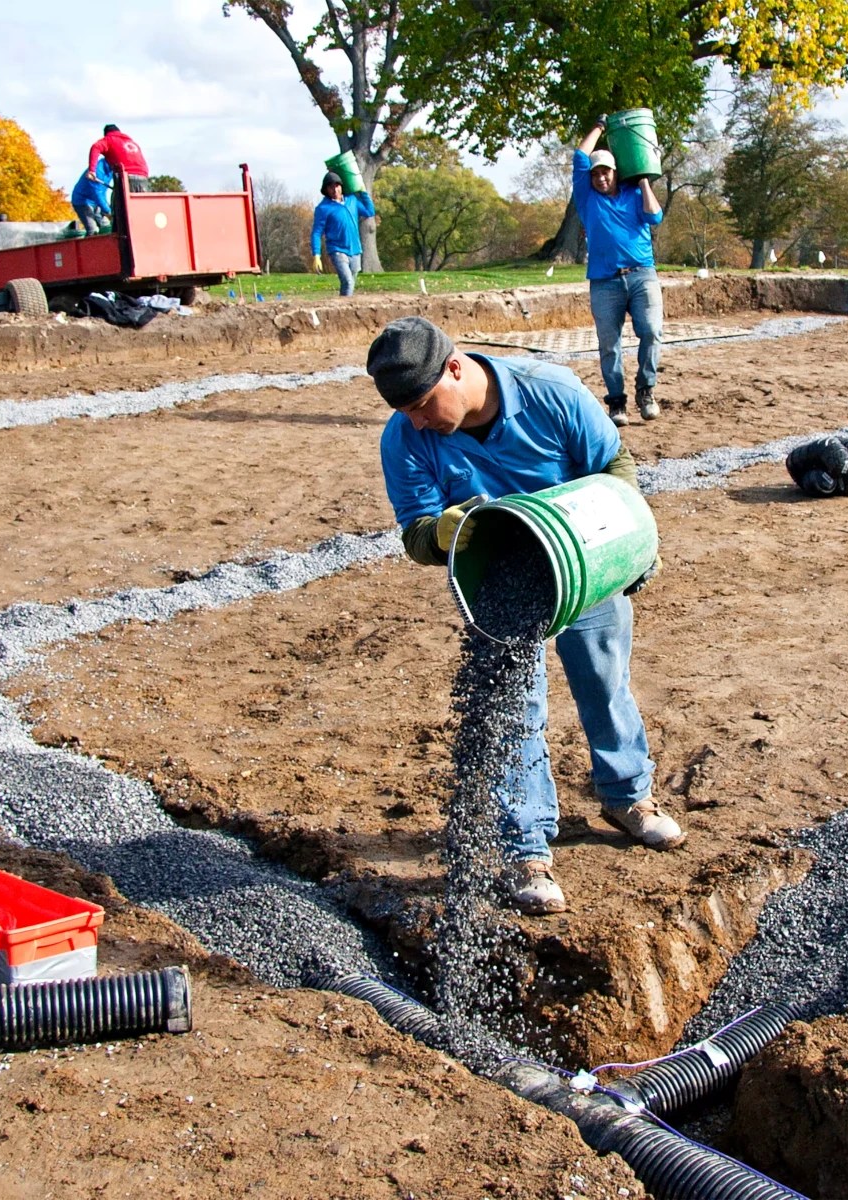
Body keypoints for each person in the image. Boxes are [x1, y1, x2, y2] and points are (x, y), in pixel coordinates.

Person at [368, 315, 685, 916]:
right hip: (499, 582)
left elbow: (615, 468)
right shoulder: (405, 439)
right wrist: (447, 532)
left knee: (604, 681)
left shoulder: (552, 392)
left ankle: (627, 797)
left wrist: (631, 544)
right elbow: (415, 535)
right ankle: (526, 846)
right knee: (513, 708)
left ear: (454, 368)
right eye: (404, 410)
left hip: (582, 557)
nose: (417, 420)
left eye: (422, 403)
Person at [573, 118, 665, 426]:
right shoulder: (587, 199)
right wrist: (599, 126)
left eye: (606, 172)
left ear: (616, 173)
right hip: (605, 281)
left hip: (642, 274)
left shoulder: (635, 194)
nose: (600, 178)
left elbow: (655, 217)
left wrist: (642, 180)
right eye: (596, 174)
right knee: (609, 344)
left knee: (651, 331)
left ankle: (646, 390)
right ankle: (617, 402)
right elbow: (579, 157)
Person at [310, 172, 376, 297]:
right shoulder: (323, 208)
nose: (335, 189)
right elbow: (316, 232)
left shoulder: (352, 200)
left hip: (355, 250)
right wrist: (316, 255)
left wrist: (363, 192)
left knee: (350, 283)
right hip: (337, 250)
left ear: (341, 186)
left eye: (337, 185)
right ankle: (345, 307)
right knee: (348, 281)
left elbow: (369, 211)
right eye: (331, 187)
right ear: (326, 190)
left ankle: (342, 308)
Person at [88, 123, 150, 194]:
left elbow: (95, 147)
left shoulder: (108, 139)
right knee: (140, 203)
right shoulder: (132, 142)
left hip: (126, 176)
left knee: (119, 203)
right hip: (143, 176)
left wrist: (92, 171)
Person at [69, 158, 115, 235]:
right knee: (92, 229)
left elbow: (103, 190)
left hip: (96, 202)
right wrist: (108, 211)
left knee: (106, 227)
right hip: (82, 201)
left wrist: (107, 207)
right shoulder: (98, 170)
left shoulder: (111, 170)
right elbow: (97, 193)